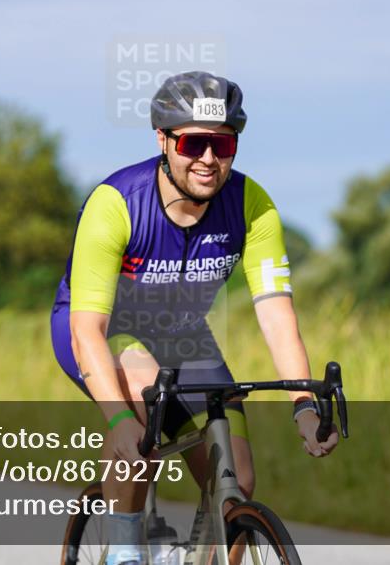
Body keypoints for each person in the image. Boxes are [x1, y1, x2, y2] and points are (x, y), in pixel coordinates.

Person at [51, 71, 338, 565]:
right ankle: (124, 552)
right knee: (143, 409)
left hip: (183, 335)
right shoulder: (116, 203)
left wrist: (304, 406)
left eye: (222, 145)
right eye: (193, 143)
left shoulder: (252, 206)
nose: (208, 159)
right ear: (163, 140)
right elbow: (87, 331)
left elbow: (277, 319)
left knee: (236, 480)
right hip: (104, 331)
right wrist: (118, 418)